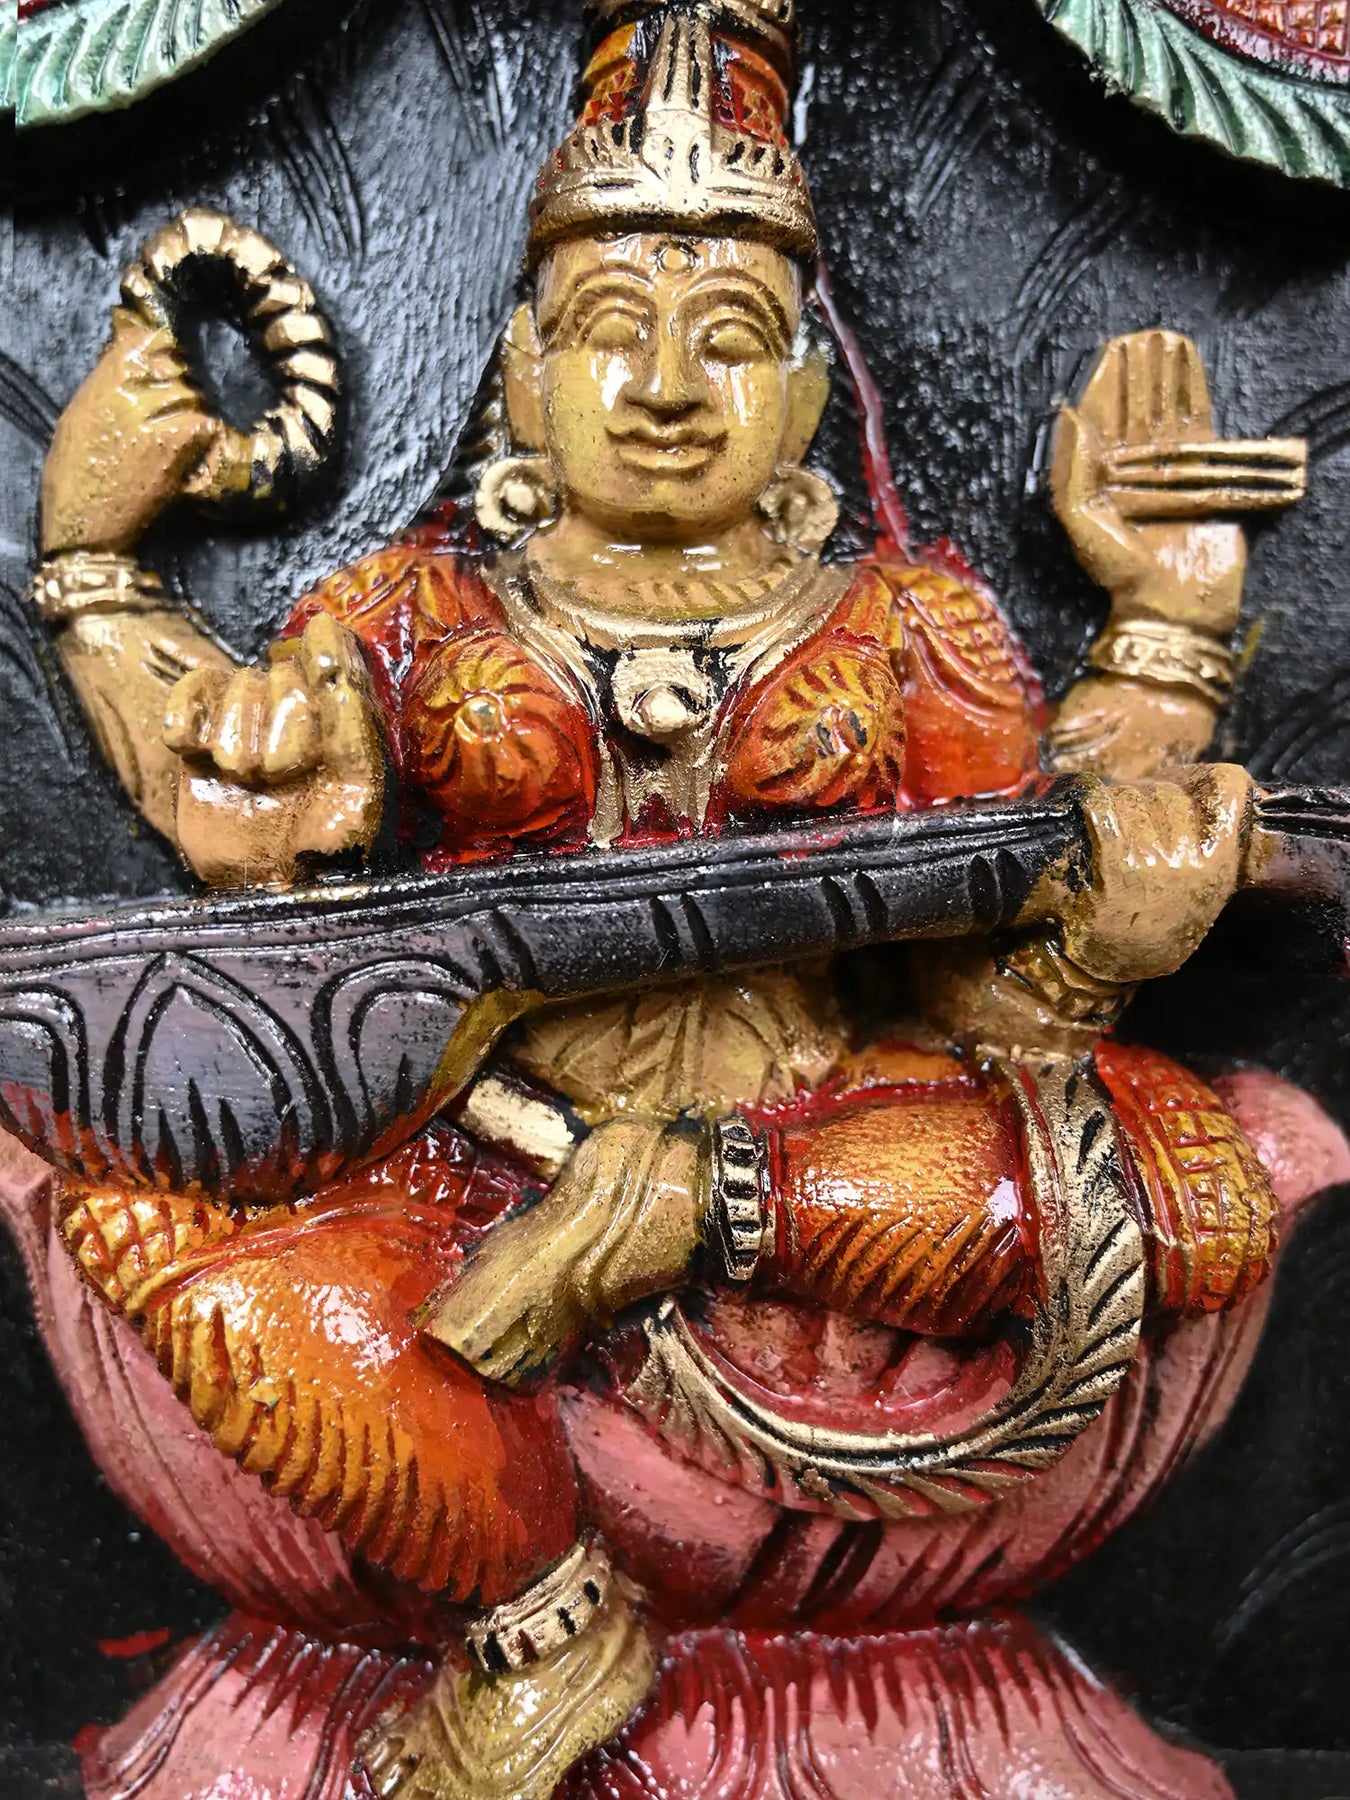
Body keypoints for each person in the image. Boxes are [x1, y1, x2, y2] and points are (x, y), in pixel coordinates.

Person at [26, 4, 1333, 1796]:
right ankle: (538, 1612)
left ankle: (696, 1206)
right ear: (520, 369)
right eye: (606, 333)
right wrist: (114, 585)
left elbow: (986, 986)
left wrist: (1153, 679)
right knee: (161, 1237)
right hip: (478, 1162)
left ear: (801, 390)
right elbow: (242, 816)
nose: (660, 391)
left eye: (725, 339)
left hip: (827, 1174)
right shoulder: (407, 616)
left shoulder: (908, 631)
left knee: (1174, 1179)